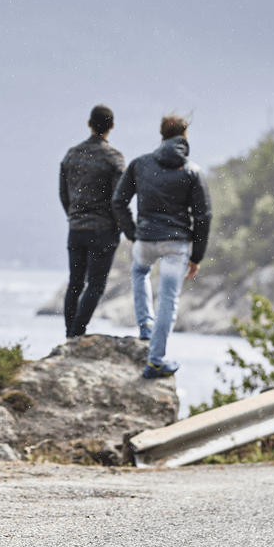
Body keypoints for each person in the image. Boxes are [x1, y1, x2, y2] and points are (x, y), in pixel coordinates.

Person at [112, 115, 212, 379]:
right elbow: (203, 217)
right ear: (184, 136)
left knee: (140, 272)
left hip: (145, 240)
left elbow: (118, 201)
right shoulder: (192, 171)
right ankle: (156, 361)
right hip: (176, 245)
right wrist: (196, 256)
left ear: (162, 135)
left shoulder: (140, 164)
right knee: (169, 298)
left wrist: (133, 233)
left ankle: (145, 325)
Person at [59, 104, 126, 339]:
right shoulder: (114, 158)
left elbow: (63, 194)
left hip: (76, 228)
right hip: (103, 231)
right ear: (112, 126)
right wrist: (122, 227)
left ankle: (70, 334)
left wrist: (74, 215)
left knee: (75, 283)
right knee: (95, 285)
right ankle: (78, 332)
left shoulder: (71, 155)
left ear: (89, 124)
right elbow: (120, 199)